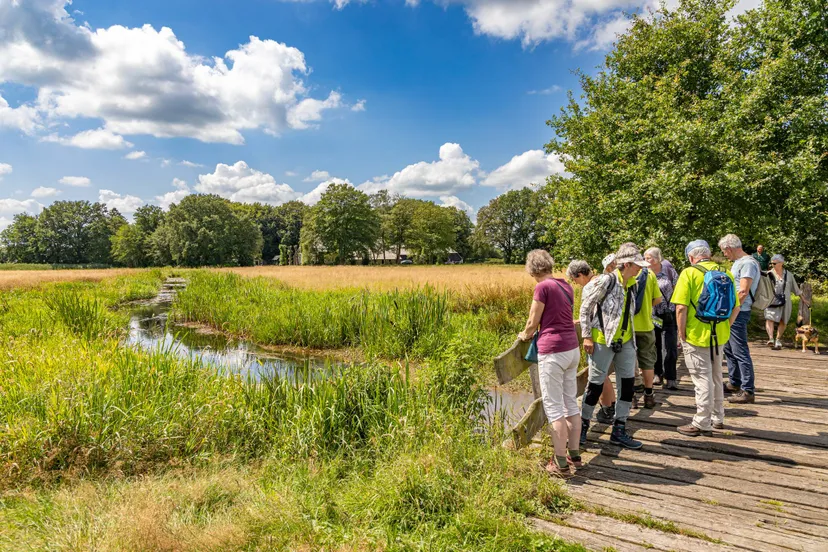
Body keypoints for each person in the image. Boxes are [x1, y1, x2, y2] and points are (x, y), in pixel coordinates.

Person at [578, 243, 650, 450]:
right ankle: (583, 426)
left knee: (627, 385)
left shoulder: (633, 284)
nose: (640, 268)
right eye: (637, 265)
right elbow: (585, 308)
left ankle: (619, 429)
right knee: (595, 384)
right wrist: (587, 337)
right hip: (602, 340)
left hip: (626, 341)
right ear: (626, 264)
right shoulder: (607, 281)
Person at [518, 250, 581, 476]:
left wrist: (524, 335)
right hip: (572, 349)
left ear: (533, 269)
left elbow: (533, 320)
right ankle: (575, 455)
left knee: (554, 408)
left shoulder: (542, 287)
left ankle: (560, 463)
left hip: (553, 351)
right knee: (571, 404)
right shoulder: (566, 285)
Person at [672, 240, 740, 437]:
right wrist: (727, 325)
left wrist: (681, 333)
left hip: (696, 334)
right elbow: (736, 306)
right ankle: (718, 417)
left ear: (691, 258)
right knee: (717, 376)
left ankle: (702, 421)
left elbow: (681, 308)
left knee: (702, 379)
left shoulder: (689, 273)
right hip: (719, 334)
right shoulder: (725, 272)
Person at [566, 260, 617, 424]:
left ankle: (607, 409)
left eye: (575, 280)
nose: (577, 284)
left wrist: (586, 335)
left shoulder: (591, 286)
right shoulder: (605, 279)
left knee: (599, 374)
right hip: (612, 333)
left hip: (598, 335)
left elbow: (586, 311)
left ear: (580, 275)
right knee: (603, 374)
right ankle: (611, 406)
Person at [718, 234, 760, 404]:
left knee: (739, 350)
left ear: (729, 248)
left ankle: (748, 389)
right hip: (733, 310)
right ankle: (734, 382)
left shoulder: (748, 263)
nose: (724, 255)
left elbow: (742, 291)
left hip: (739, 311)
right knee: (729, 348)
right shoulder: (738, 263)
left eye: (724, 251)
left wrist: (733, 311)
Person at [628, 244, 664, 408]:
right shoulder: (649, 274)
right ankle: (649, 395)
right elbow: (658, 299)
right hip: (646, 325)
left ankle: (633, 396)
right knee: (648, 361)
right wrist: (646, 306)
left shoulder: (625, 274)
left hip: (628, 327)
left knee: (629, 361)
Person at [644, 247, 679, 390]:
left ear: (658, 258)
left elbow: (678, 287)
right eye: (645, 258)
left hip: (669, 313)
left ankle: (671, 377)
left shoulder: (669, 271)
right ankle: (658, 374)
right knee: (655, 345)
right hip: (653, 315)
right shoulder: (644, 274)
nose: (646, 260)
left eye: (649, 257)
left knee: (670, 346)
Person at [764, 254, 801, 350]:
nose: (773, 265)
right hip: (771, 300)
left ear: (781, 263)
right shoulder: (768, 274)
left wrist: (803, 298)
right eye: (771, 263)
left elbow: (796, 289)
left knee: (783, 320)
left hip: (786, 301)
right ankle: (771, 339)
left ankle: (778, 340)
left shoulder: (789, 275)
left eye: (775, 263)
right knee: (769, 318)